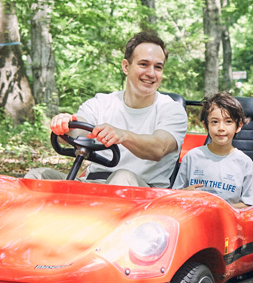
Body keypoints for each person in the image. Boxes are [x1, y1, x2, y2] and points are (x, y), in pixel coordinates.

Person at [25, 30, 188, 187]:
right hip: (93, 184)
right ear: (126, 66)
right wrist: (65, 125)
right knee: (37, 176)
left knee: (122, 177)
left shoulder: (171, 110)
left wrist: (123, 135)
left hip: (142, 193)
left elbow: (159, 148)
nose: (151, 73)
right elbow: (78, 130)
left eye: (158, 67)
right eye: (144, 64)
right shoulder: (100, 103)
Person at [172, 93, 253, 209]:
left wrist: (218, 208)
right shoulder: (192, 157)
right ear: (206, 126)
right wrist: (184, 194)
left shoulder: (245, 163)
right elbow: (174, 196)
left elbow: (249, 204)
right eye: (214, 122)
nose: (221, 128)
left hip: (228, 218)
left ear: (238, 126)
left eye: (228, 121)